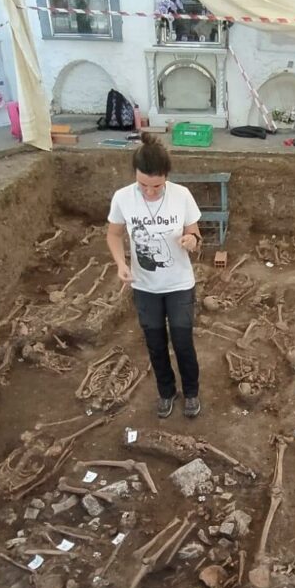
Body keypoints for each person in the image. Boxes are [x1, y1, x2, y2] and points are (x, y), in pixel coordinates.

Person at [106, 133, 204, 418]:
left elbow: (195, 231)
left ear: (167, 177)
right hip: (145, 285)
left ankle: (192, 392)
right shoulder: (123, 197)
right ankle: (166, 391)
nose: (150, 192)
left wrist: (191, 240)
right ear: (135, 177)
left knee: (183, 340)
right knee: (154, 340)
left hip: (179, 283)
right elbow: (113, 234)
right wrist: (120, 263)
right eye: (143, 185)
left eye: (157, 186)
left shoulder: (182, 195)